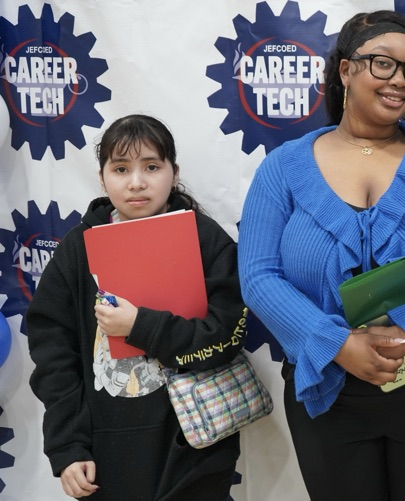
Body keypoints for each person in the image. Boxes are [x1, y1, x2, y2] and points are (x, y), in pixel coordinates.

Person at [237, 10, 405, 501]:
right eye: (382, 64)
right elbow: (258, 276)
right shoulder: (282, 169)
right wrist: (335, 343)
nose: (400, 80)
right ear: (344, 70)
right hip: (329, 388)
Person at [26, 114, 248, 500]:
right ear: (102, 178)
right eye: (121, 168)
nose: (136, 182)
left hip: (196, 444)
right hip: (107, 451)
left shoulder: (203, 238)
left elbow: (227, 333)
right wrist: (68, 446)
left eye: (151, 167)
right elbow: (54, 359)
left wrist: (139, 326)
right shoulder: (77, 250)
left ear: (173, 172)